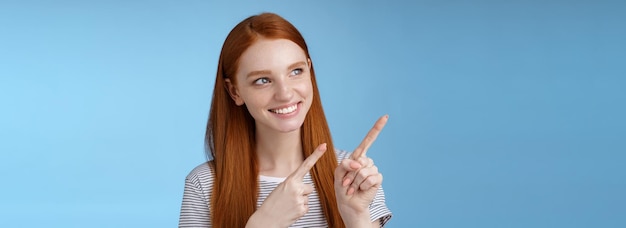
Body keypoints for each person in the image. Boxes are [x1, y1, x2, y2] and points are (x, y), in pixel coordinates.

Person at [179, 12, 392, 227]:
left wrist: (355, 216)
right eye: (262, 80)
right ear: (234, 92)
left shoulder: (353, 175)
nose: (285, 94)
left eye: (296, 71)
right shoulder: (204, 184)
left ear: (309, 70)